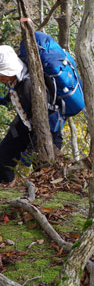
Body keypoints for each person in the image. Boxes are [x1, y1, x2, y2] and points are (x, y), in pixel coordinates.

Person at [0, 45, 63, 184]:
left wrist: (30, 150)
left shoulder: (30, 85)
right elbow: (15, 94)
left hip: (48, 132)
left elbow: (43, 120)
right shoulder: (15, 79)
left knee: (44, 174)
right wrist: (3, 100)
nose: (0, 77)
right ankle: (6, 189)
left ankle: (39, 202)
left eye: (2, 74)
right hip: (24, 125)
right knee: (3, 158)